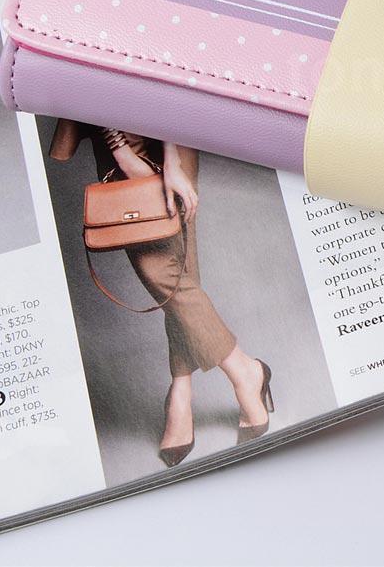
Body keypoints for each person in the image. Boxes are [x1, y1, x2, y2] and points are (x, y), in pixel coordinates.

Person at [51, 120, 273, 467]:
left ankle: (181, 394)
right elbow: (87, 88)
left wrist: (172, 160)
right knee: (165, 271)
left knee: (180, 270)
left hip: (171, 129)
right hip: (117, 133)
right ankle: (243, 370)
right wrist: (121, 151)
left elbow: (168, 87)